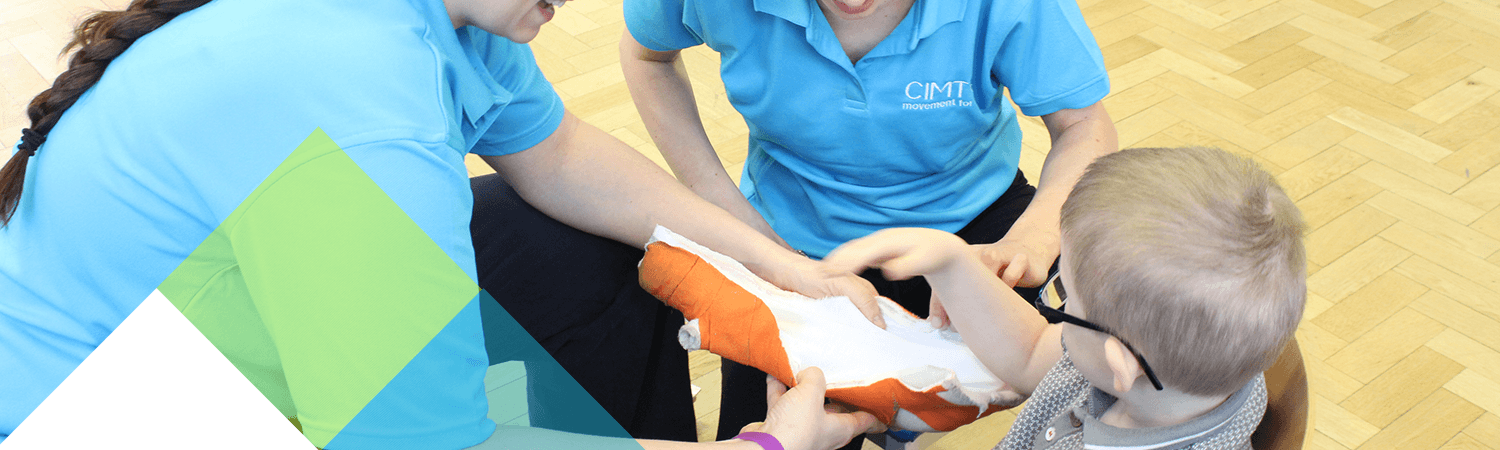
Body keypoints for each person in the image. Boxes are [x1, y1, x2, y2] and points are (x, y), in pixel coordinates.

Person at [0, 0, 884, 448]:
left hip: (175, 331)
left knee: (567, 244)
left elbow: (561, 154)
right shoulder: (360, 102)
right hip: (112, 418)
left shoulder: (449, 21)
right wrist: (767, 444)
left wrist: (781, 266)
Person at [620, 0, 1119, 443]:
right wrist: (726, 211)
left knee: (1089, 374)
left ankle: (910, 422)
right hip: (784, 238)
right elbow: (647, 57)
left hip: (978, 229)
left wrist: (1032, 239)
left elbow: (1082, 125)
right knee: (772, 423)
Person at [822, 146, 1307, 449]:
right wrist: (951, 262)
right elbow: (1033, 351)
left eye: (1065, 298)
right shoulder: (1184, 376)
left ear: (1120, 361)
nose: (1054, 311)